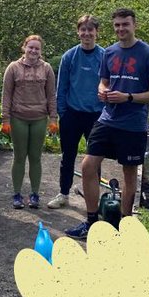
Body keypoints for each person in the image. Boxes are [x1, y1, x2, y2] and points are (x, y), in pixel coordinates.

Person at [66, 8, 149, 238]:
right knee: (88, 166)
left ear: (134, 25)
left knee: (129, 174)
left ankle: (124, 226)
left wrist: (128, 97)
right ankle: (91, 222)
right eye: (117, 25)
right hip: (108, 118)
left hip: (133, 123)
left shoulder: (148, 54)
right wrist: (103, 91)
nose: (121, 29)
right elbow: (103, 82)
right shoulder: (109, 53)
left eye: (125, 24)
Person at [48, 15, 105, 209]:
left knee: (95, 158)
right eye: (83, 30)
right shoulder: (69, 56)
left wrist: (105, 114)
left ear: (97, 32)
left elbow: (110, 84)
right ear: (78, 32)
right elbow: (61, 87)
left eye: (91, 30)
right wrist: (62, 113)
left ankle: (93, 198)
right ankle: (63, 193)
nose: (87, 33)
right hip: (72, 114)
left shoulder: (104, 56)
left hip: (96, 116)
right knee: (68, 157)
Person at [1, 35, 57, 209]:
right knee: (19, 157)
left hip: (39, 118)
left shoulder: (47, 69)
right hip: (18, 117)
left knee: (35, 157)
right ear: (24, 47)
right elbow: (6, 94)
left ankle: (34, 194)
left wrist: (53, 118)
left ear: (41, 51)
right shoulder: (13, 68)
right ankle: (17, 194)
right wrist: (5, 119)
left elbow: (51, 95)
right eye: (30, 47)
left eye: (37, 48)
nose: (33, 51)